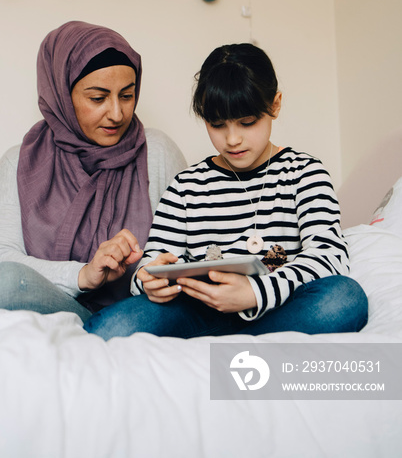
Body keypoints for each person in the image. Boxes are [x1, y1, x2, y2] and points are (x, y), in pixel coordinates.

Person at [84, 43, 368, 339]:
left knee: (345, 299)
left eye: (248, 123)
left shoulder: (305, 173)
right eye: (217, 124)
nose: (232, 140)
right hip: (200, 314)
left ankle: (232, 358)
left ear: (275, 105)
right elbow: (154, 259)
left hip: (279, 310)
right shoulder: (186, 186)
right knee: (106, 328)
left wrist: (255, 293)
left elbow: (329, 256)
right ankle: (244, 356)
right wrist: (148, 279)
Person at [0, 21, 186, 322]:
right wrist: (82, 275)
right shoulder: (19, 162)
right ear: (62, 94)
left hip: (119, 310)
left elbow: (183, 246)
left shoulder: (156, 151)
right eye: (98, 98)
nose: (117, 113)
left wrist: (148, 272)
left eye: (127, 95)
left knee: (8, 282)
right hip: (48, 292)